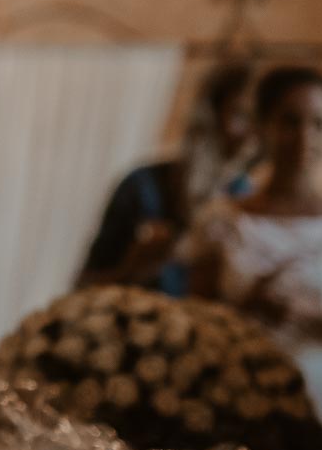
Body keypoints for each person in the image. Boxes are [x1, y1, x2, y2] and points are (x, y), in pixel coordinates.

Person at [182, 65, 322, 450]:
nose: (304, 138)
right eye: (290, 122)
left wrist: (317, 319)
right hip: (243, 396)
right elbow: (192, 332)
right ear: (263, 126)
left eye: (319, 124)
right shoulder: (222, 221)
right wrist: (245, 307)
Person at [76, 62, 256, 297]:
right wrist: (135, 268)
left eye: (258, 120)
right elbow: (84, 286)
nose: (250, 134)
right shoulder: (143, 187)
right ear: (210, 115)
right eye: (240, 115)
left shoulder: (248, 200)